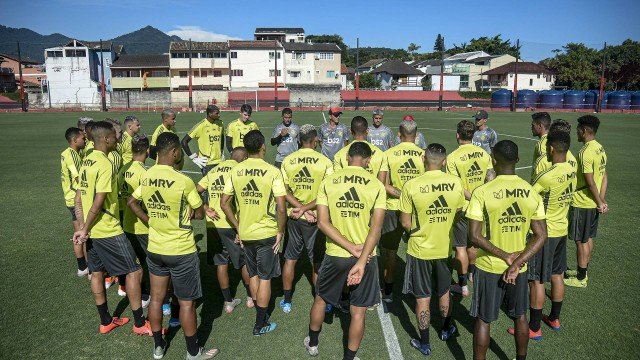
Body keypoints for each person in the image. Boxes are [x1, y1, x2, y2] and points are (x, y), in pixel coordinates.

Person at [128, 132, 217, 360]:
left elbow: (131, 202)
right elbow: (198, 213)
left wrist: (149, 221)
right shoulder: (183, 181)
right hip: (181, 250)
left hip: (156, 249)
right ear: (175, 152)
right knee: (187, 303)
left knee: (157, 299)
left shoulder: (146, 176)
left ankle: (158, 347)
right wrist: (193, 211)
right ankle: (193, 352)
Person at [466, 140, 547, 360]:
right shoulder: (530, 192)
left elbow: (473, 236)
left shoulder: (482, 192)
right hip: (518, 270)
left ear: (493, 159)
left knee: (483, 319)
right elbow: (541, 235)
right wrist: (517, 262)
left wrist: (505, 257)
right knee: (520, 316)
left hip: (489, 266)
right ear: (518, 160)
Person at [305, 142, 386, 360]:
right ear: (368, 160)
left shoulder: (330, 181)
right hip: (366, 256)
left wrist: (349, 247)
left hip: (336, 254)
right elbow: (376, 228)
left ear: (348, 156)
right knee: (358, 311)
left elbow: (322, 223)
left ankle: (313, 343)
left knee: (321, 299)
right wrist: (360, 258)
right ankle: (349, 358)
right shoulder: (376, 185)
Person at [72, 121, 149, 336]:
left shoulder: (86, 161)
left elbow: (79, 198)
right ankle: (140, 323)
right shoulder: (105, 164)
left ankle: (106, 321)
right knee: (135, 271)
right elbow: (100, 198)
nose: (117, 139)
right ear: (106, 139)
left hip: (92, 231)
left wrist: (81, 227)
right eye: (115, 137)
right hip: (107, 229)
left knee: (96, 272)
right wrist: (86, 226)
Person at [400, 143, 465, 356]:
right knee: (444, 291)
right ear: (444, 161)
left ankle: (425, 342)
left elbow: (405, 223)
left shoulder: (411, 185)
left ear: (423, 160)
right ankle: (446, 329)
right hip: (444, 248)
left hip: (419, 250)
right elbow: (458, 213)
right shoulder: (455, 183)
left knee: (422, 297)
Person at [220, 130, 287, 336]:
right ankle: (260, 324)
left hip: (246, 233)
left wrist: (238, 226)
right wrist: (280, 231)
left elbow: (224, 203)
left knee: (255, 275)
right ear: (262, 147)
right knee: (265, 277)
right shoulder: (272, 171)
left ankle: (260, 315)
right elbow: (282, 208)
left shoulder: (237, 170)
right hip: (266, 233)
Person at [511, 130, 575, 341]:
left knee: (537, 280)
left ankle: (535, 327)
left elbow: (527, 198)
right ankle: (554, 318)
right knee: (557, 274)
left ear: (551, 148)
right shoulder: (571, 169)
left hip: (545, 233)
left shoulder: (547, 176)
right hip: (561, 229)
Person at [279, 124, 333, 313]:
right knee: (317, 261)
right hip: (316, 218)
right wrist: (307, 209)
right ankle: (321, 301)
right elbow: (327, 193)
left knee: (290, 259)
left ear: (299, 140)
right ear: (314, 140)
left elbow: (284, 191)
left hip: (294, 216)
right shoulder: (325, 162)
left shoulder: (288, 160)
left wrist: (299, 208)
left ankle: (287, 301)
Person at [196, 147, 254, 313]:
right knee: (243, 261)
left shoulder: (214, 171)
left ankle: (228, 302)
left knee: (221, 263)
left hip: (213, 224)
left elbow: (196, 191)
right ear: (243, 159)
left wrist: (206, 208)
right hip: (231, 224)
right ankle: (250, 297)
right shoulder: (240, 171)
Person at [446, 120, 495, 296]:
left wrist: (472, 197)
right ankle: (472, 274)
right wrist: (480, 198)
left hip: (463, 208)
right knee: (474, 244)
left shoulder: (452, 157)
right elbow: (491, 177)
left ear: (457, 135)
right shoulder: (483, 154)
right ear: (473, 135)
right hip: (481, 208)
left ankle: (463, 285)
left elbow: (457, 187)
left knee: (460, 247)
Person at [379, 120, 425, 303]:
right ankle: (419, 289)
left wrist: (401, 194)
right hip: (416, 210)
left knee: (390, 253)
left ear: (399, 134)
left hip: (393, 209)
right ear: (417, 134)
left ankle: (388, 292)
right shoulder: (423, 155)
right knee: (419, 250)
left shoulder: (388, 154)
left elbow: (383, 185)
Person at [565, 115, 608, 288]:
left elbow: (590, 182)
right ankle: (583, 270)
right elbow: (604, 175)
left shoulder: (585, 152)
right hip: (592, 203)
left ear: (583, 131)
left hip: (582, 203)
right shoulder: (599, 148)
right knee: (588, 238)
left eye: (578, 129)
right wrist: (601, 199)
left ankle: (581, 279)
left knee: (580, 241)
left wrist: (599, 201)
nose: (576, 131)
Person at [118, 134, 152, 307]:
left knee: (135, 260)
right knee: (149, 262)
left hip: (127, 224)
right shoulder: (145, 173)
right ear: (147, 151)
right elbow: (145, 203)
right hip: (143, 226)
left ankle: (129, 288)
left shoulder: (123, 169)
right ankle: (146, 294)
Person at [61, 127, 88, 276]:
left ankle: (83, 267)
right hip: (75, 200)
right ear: (74, 140)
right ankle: (88, 269)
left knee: (79, 232)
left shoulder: (71, 153)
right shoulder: (71, 156)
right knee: (83, 232)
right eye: (82, 138)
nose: (84, 140)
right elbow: (77, 178)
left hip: (71, 198)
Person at [333, 116, 388, 185]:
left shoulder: (339, 155)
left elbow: (337, 182)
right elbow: (381, 185)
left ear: (350, 131)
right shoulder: (381, 154)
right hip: (371, 194)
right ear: (367, 131)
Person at [182, 105, 225, 175]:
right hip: (206, 163)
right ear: (210, 114)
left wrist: (222, 151)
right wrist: (193, 158)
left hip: (219, 161)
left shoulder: (220, 123)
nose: (219, 115)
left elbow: (222, 137)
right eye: (216, 113)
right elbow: (184, 142)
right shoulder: (201, 126)